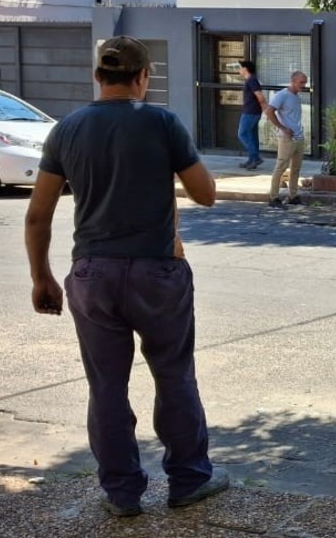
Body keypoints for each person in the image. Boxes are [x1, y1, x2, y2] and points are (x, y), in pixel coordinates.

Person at [24, 36, 229, 518]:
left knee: (106, 386)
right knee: (174, 374)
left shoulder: (66, 131)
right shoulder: (161, 122)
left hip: (92, 274)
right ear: (143, 78)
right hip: (157, 272)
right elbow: (206, 195)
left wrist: (42, 278)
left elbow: (38, 216)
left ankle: (122, 493)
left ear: (98, 77)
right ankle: (188, 480)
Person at [265, 71, 307, 208]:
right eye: (301, 82)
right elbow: (269, 111)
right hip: (286, 138)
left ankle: (293, 195)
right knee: (281, 167)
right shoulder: (282, 95)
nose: (303, 85)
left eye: (304, 82)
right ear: (293, 81)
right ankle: (274, 197)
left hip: (298, 137)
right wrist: (282, 128)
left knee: (296, 168)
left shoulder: (296, 97)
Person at [238, 61, 266, 169]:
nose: (239, 70)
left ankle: (255, 157)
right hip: (252, 111)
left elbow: (260, 96)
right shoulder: (250, 80)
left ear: (246, 69)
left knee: (242, 134)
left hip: (251, 112)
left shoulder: (252, 80)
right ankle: (251, 160)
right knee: (252, 135)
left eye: (240, 68)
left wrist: (265, 107)